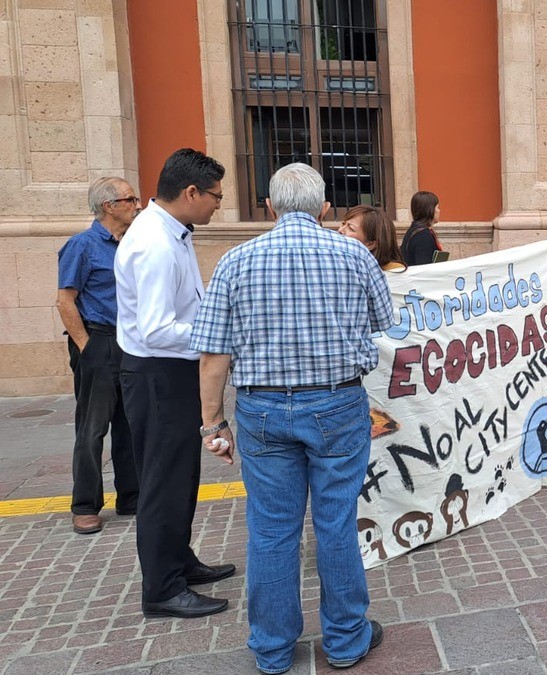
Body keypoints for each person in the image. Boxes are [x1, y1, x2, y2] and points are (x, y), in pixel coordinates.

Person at [192, 163, 394, 673]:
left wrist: (212, 423)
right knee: (335, 523)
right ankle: (347, 640)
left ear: (269, 206)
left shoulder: (235, 261)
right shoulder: (354, 255)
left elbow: (213, 354)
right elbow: (382, 321)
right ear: (325, 209)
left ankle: (273, 648)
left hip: (261, 410)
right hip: (337, 405)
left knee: (271, 530)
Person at [114, 148, 236, 619]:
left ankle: (178, 562)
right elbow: (157, 329)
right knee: (164, 482)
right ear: (190, 193)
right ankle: (162, 589)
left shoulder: (171, 232)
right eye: (214, 197)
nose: (217, 206)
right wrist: (218, 336)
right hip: (157, 374)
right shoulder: (155, 244)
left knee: (182, 476)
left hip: (172, 371)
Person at [56, 177, 142, 535]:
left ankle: (131, 496)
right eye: (130, 199)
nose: (137, 205)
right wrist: (86, 345)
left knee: (130, 423)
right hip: (99, 340)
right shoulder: (83, 246)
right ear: (109, 206)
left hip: (130, 342)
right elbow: (65, 299)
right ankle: (86, 505)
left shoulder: (133, 244)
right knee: (92, 429)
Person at [339, 205, 406, 272]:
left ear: (370, 244)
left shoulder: (395, 270)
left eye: (351, 228)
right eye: (343, 224)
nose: (340, 230)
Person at [400, 191, 443, 266]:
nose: (439, 211)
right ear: (430, 210)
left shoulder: (415, 230)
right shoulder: (423, 235)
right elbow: (424, 268)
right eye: (437, 207)